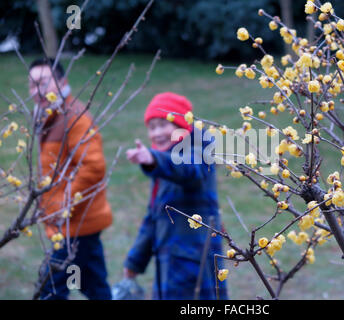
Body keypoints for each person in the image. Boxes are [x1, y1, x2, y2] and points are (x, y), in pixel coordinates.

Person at [122, 92, 228, 299]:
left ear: (181, 125)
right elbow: (153, 218)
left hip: (195, 265)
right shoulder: (163, 164)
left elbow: (190, 172)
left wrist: (153, 159)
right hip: (169, 265)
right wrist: (135, 262)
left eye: (163, 125)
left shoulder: (199, 149)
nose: (156, 133)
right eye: (151, 127)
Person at [29, 58, 113, 300]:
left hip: (73, 223)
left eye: (44, 82)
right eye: (32, 85)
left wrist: (63, 205)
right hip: (79, 222)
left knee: (50, 289)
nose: (37, 90)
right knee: (93, 284)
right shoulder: (52, 116)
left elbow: (93, 166)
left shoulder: (74, 117)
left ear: (62, 83)